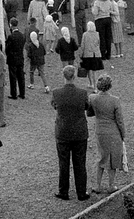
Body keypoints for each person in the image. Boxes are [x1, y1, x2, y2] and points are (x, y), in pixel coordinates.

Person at [50, 64, 91, 202]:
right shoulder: (82, 93)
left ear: (64, 76)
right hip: (79, 132)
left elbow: (54, 106)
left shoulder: (56, 93)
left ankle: (63, 191)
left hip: (63, 131)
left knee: (63, 162)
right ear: (74, 77)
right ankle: (81, 192)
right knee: (80, 163)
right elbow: (87, 107)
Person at [89, 76, 125, 194]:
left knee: (101, 156)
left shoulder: (93, 98)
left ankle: (97, 185)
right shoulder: (115, 100)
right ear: (110, 86)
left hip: (100, 130)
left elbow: (89, 113)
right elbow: (119, 120)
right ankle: (111, 185)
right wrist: (123, 133)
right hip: (113, 131)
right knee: (113, 158)